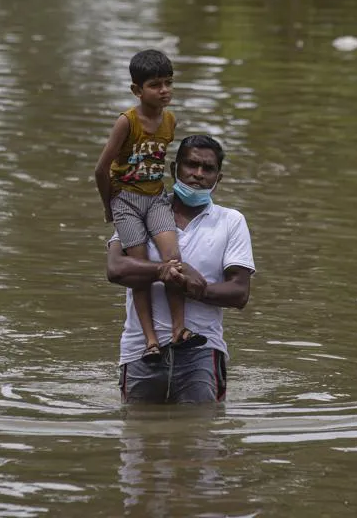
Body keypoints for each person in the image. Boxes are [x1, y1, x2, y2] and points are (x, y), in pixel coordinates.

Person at [106, 135, 255, 404]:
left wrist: (198, 288)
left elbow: (240, 292)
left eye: (207, 168)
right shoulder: (140, 211)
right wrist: (164, 270)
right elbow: (116, 269)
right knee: (138, 438)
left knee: (201, 440)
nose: (198, 174)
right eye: (191, 165)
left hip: (202, 350)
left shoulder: (231, 221)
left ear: (218, 178)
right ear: (174, 168)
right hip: (141, 349)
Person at [94, 50, 207, 364]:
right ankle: (150, 341)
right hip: (126, 200)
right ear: (137, 90)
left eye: (168, 83)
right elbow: (101, 170)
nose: (164, 90)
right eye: (156, 85)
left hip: (157, 198)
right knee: (140, 272)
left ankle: (178, 331)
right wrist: (109, 207)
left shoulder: (169, 120)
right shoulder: (126, 122)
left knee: (174, 259)